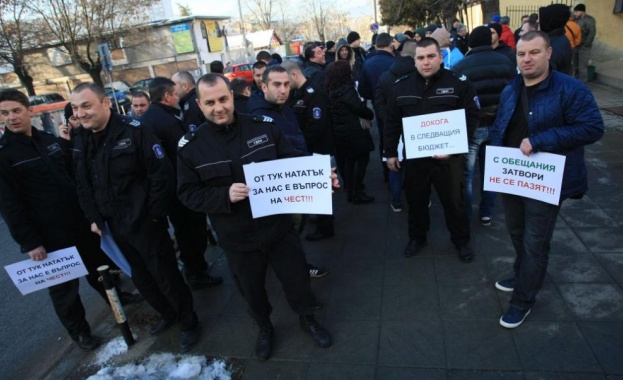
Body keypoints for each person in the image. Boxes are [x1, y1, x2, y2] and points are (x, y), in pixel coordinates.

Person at [177, 73, 332, 361]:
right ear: (199, 105)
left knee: (297, 280)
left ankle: (307, 318)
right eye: (210, 103)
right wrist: (223, 195)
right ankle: (264, 327)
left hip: (278, 228)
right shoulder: (191, 147)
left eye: (223, 99)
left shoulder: (263, 126)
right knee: (252, 291)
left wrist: (321, 177)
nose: (218, 107)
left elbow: (291, 162)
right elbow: (187, 193)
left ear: (232, 97)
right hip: (237, 237)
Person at [0, 90, 139, 351]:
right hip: (48, 234)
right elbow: (9, 206)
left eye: (16, 110)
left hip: (78, 222)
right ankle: (80, 332)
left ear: (29, 111)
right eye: (5, 113)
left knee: (99, 267)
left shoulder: (47, 139)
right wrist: (30, 242)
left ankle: (116, 297)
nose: (11, 117)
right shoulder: (5, 155)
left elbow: (70, 175)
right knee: (65, 289)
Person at [70, 83, 200, 352]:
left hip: (145, 223)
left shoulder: (135, 131)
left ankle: (189, 322)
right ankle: (168, 314)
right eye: (75, 107)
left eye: (86, 105)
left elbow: (161, 174)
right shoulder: (81, 138)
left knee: (166, 275)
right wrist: (94, 217)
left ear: (106, 103)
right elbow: (82, 183)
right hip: (113, 226)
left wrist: (153, 215)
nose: (80, 113)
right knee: (140, 277)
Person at [489, 31, 604, 328]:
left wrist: (541, 140)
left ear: (549, 53)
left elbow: (592, 128)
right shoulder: (511, 88)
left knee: (535, 242)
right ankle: (522, 274)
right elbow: (502, 125)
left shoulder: (570, 89)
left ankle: (523, 301)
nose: (527, 59)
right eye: (521, 54)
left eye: (534, 52)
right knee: (516, 233)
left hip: (545, 179)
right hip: (511, 175)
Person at [384, 37, 479, 263]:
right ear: (414, 60)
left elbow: (473, 117)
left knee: (454, 203)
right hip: (416, 159)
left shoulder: (459, 83)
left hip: (449, 159)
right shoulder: (401, 86)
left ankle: (461, 241)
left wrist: (456, 148)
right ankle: (417, 238)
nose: (426, 62)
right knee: (416, 201)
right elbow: (391, 122)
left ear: (440, 57)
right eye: (420, 58)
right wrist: (390, 153)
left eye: (430, 56)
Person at [139, 77, 223, 290]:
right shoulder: (163, 120)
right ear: (167, 96)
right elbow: (183, 152)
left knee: (189, 230)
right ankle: (195, 272)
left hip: (173, 187)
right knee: (190, 232)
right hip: (178, 188)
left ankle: (197, 267)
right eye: (175, 94)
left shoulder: (154, 117)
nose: (178, 97)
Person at [452, 26, 517, 225]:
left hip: (472, 126)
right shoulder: (507, 62)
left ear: (470, 42)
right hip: (498, 125)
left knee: (468, 174)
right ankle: (486, 213)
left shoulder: (461, 66)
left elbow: (457, 99)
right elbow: (513, 93)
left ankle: (465, 215)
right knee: (491, 173)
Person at [375, 40, 418, 212]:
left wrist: (389, 120)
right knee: (418, 168)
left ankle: (396, 201)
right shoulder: (419, 76)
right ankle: (420, 199)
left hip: (392, 129)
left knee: (394, 165)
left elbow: (378, 102)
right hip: (417, 128)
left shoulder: (385, 75)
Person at [325, 60, 375, 205]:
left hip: (341, 132)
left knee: (349, 161)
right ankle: (357, 192)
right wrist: (370, 114)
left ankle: (351, 189)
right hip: (354, 132)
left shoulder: (331, 90)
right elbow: (358, 108)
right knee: (362, 160)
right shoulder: (346, 90)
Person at [358, 32, 396, 184]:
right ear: (391, 45)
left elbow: (363, 90)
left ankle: (387, 171)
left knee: (384, 138)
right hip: (397, 105)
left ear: (376, 45)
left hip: (378, 105)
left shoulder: (368, 63)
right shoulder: (394, 61)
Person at [539, 3, 573, 76]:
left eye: (543, 19)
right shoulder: (558, 38)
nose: (539, 22)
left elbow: (547, 76)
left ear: (551, 20)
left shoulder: (555, 44)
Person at [572, 3, 596, 82]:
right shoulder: (575, 19)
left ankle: (582, 84)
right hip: (576, 45)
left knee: (582, 67)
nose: (575, 13)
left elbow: (591, 33)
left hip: (584, 46)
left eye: (576, 11)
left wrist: (586, 44)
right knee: (575, 65)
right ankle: (575, 81)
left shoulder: (589, 20)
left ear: (582, 11)